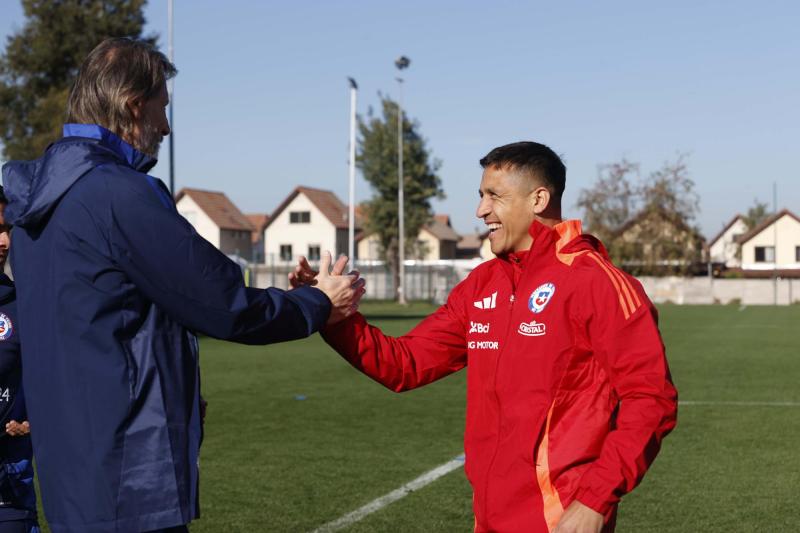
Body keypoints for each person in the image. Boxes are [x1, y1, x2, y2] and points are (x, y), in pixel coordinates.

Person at [1, 38, 362, 533]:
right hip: (127, 475)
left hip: (71, 473)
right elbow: (223, 302)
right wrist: (316, 302)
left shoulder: (37, 204)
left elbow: (104, 321)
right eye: (161, 109)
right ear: (133, 106)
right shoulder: (117, 194)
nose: (165, 126)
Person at [293, 142, 678, 532]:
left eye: (494, 196)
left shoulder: (595, 282)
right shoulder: (481, 286)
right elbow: (403, 365)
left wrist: (594, 502)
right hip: (489, 518)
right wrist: (330, 312)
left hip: (560, 518)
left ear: (538, 199)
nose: (480, 211)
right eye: (480, 196)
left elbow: (650, 399)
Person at [0, 188, 39, 533]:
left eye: (6, 229)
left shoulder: (23, 304)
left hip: (11, 481)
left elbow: (47, 380)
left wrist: (31, 420)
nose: (3, 241)